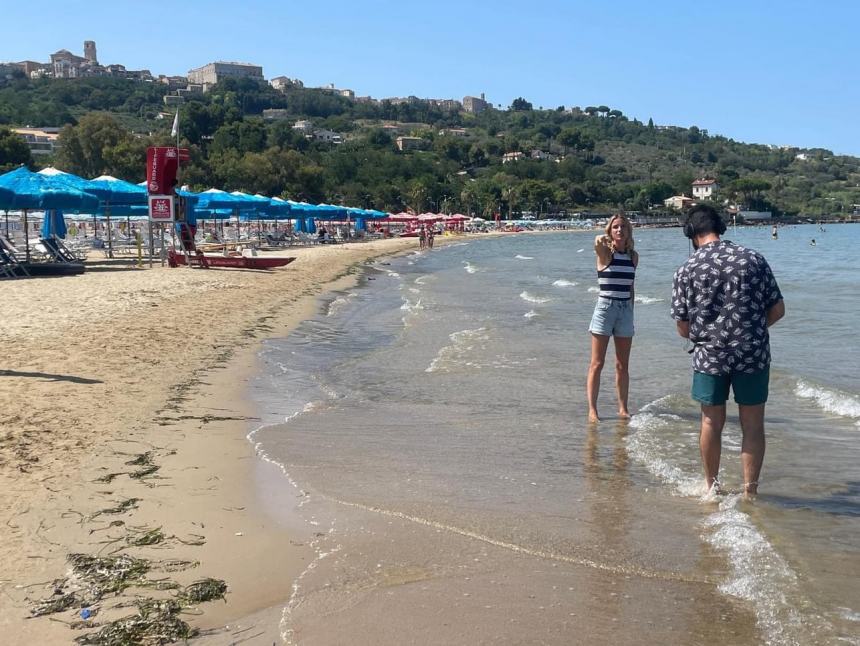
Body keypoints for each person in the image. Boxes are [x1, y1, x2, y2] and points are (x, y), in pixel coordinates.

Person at [671, 204, 785, 497]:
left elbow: (683, 326)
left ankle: (712, 487)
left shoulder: (687, 269)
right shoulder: (753, 259)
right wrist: (751, 331)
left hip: (710, 355)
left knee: (711, 421)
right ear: (719, 227)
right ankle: (750, 492)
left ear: (691, 233)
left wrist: (711, 334)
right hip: (753, 351)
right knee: (753, 424)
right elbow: (778, 309)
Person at [586, 213, 638, 423]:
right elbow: (596, 241)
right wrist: (605, 236)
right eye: (615, 227)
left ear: (629, 231)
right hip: (605, 309)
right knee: (597, 363)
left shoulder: (633, 257)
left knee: (622, 365)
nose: (619, 230)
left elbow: (631, 287)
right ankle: (592, 410)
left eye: (623, 227)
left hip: (625, 309)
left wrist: (631, 313)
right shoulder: (605, 255)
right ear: (610, 230)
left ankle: (623, 408)